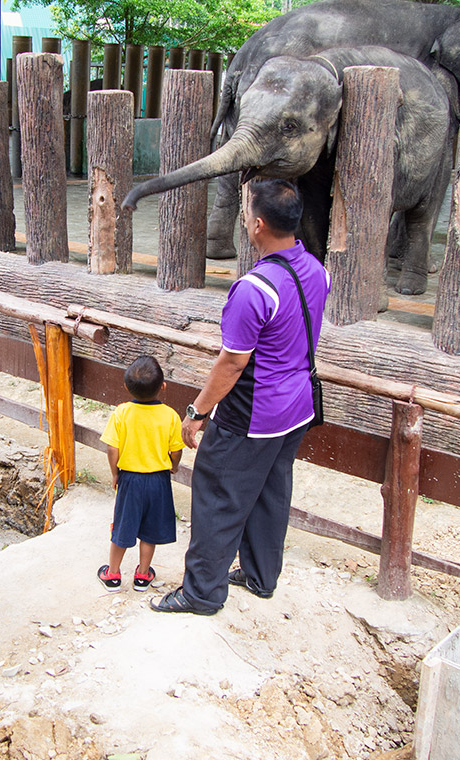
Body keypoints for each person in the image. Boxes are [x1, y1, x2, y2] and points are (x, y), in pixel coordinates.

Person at [150, 178, 330, 615]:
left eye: (248, 213)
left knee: (216, 493)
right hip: (298, 407)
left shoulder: (254, 288)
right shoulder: (317, 269)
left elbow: (232, 363)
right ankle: (260, 575)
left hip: (254, 414)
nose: (246, 219)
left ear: (258, 226)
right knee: (271, 490)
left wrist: (196, 411)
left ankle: (201, 593)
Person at [97, 356, 185, 592]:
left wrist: (115, 474)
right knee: (151, 528)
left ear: (126, 387)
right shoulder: (170, 415)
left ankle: (113, 574)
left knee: (123, 525)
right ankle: (143, 575)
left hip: (130, 479)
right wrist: (173, 467)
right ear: (163, 386)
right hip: (159, 480)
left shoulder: (122, 412)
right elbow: (176, 450)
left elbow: (112, 448)